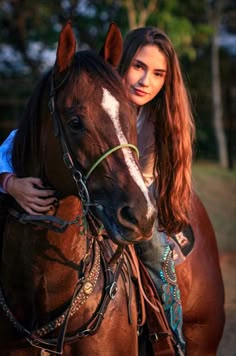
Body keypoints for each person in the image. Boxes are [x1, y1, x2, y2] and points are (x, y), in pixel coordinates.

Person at [0, 27, 195, 354]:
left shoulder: (164, 118)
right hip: (102, 190)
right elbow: (16, 142)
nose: (145, 80)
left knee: (156, 256)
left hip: (137, 197)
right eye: (138, 67)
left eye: (157, 73)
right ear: (120, 64)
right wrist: (9, 182)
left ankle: (169, 335)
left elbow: (156, 175)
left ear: (166, 80)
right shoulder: (98, 96)